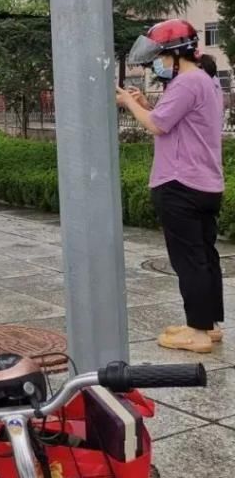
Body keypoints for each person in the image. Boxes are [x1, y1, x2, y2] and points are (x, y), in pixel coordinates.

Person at [116, 19, 224, 353]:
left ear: (175, 55)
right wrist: (147, 105)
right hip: (206, 184)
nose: (157, 65)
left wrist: (129, 103)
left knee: (188, 260)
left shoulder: (184, 83)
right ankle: (208, 324)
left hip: (180, 183)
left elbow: (157, 126)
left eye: (160, 58)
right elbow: (177, 122)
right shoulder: (205, 81)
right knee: (205, 255)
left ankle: (199, 334)